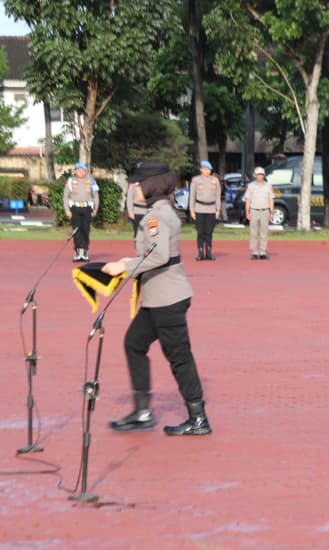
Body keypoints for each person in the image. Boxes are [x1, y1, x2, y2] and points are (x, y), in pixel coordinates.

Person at [105, 162, 211, 436]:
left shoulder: (155, 217)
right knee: (134, 343)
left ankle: (198, 418)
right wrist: (129, 261)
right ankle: (142, 412)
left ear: (150, 185)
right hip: (159, 297)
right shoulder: (162, 212)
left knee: (179, 357)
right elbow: (157, 253)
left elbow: (159, 256)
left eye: (138, 183)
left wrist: (124, 267)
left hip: (167, 298)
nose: (134, 187)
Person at [64, 162, 99, 262]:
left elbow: (96, 196)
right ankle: (78, 251)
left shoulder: (91, 181)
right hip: (75, 208)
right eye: (77, 170)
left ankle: (85, 251)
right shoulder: (71, 181)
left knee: (86, 229)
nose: (79, 172)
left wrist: (95, 209)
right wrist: (67, 210)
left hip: (87, 208)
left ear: (85, 171)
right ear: (75, 171)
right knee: (76, 230)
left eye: (81, 170)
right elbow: (66, 196)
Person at [189, 160, 222, 261]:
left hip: (211, 209)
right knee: (200, 232)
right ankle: (200, 253)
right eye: (205, 169)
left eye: (209, 169)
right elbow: (192, 196)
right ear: (201, 170)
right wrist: (192, 210)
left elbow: (217, 196)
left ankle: (208, 253)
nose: (207, 171)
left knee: (209, 232)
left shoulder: (215, 181)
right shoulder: (196, 180)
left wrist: (218, 209)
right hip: (199, 208)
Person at [244, 166, 274, 260]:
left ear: (264, 176)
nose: (260, 176)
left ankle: (262, 252)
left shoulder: (268, 186)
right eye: (258, 175)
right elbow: (248, 200)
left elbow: (271, 200)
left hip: (265, 210)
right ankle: (254, 252)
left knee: (264, 232)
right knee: (253, 232)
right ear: (255, 176)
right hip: (254, 210)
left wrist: (271, 212)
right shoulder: (251, 186)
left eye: (261, 175)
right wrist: (247, 212)